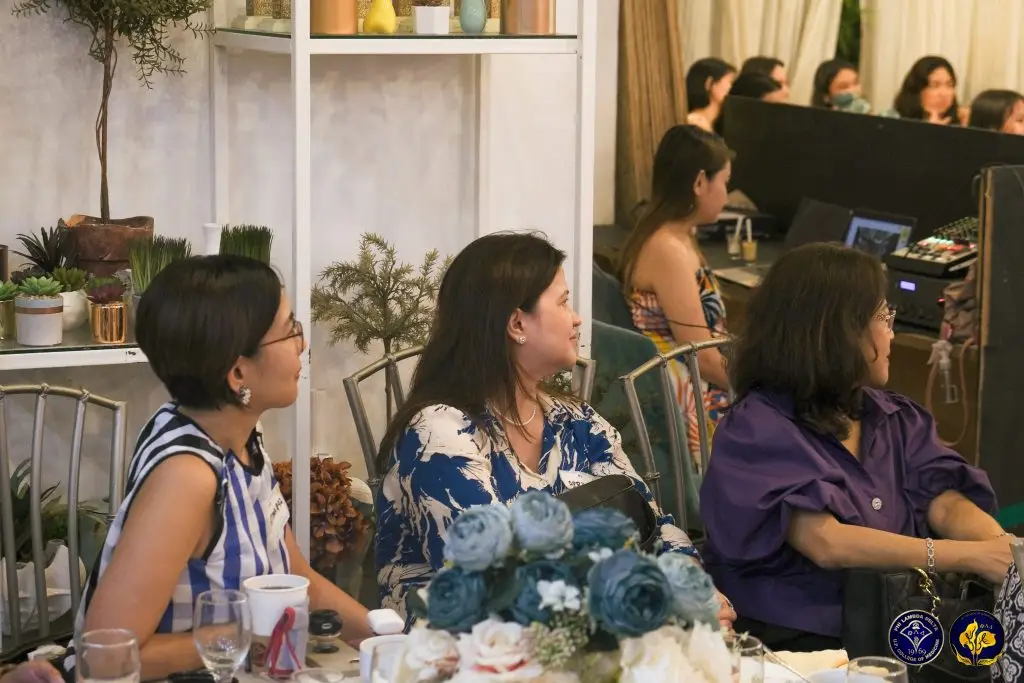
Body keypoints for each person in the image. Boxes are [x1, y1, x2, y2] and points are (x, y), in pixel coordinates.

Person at [374, 232, 736, 628]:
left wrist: (695, 591)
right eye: (563, 302)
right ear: (517, 323)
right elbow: (493, 584)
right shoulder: (439, 434)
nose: (577, 318)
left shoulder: (575, 420)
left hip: (587, 634)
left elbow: (655, 525)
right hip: (460, 648)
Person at [699, 243, 1008, 652]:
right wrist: (966, 556)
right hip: (801, 638)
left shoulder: (893, 416)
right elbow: (827, 543)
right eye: (883, 318)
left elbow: (945, 502)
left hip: (898, 617)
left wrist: (1001, 547)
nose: (891, 332)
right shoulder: (756, 429)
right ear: (837, 331)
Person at [80, 255, 373, 680]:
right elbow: (105, 656)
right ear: (238, 372)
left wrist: (395, 638)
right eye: (290, 330)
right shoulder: (187, 476)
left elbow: (294, 575)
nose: (302, 344)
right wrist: (237, 635)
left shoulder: (239, 439)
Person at [617, 125, 732, 472]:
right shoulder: (668, 250)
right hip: (692, 403)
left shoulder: (675, 237)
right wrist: (764, 383)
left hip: (690, 389)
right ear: (699, 182)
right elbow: (701, 357)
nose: (726, 195)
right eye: (725, 182)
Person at [887, 55, 964, 125]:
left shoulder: (961, 124)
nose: (943, 94)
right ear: (917, 89)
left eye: (949, 85)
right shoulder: (890, 120)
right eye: (934, 85)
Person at [686, 57, 737, 132]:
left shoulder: (719, 123)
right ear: (709, 83)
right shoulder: (693, 124)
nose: (734, 88)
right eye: (731, 82)